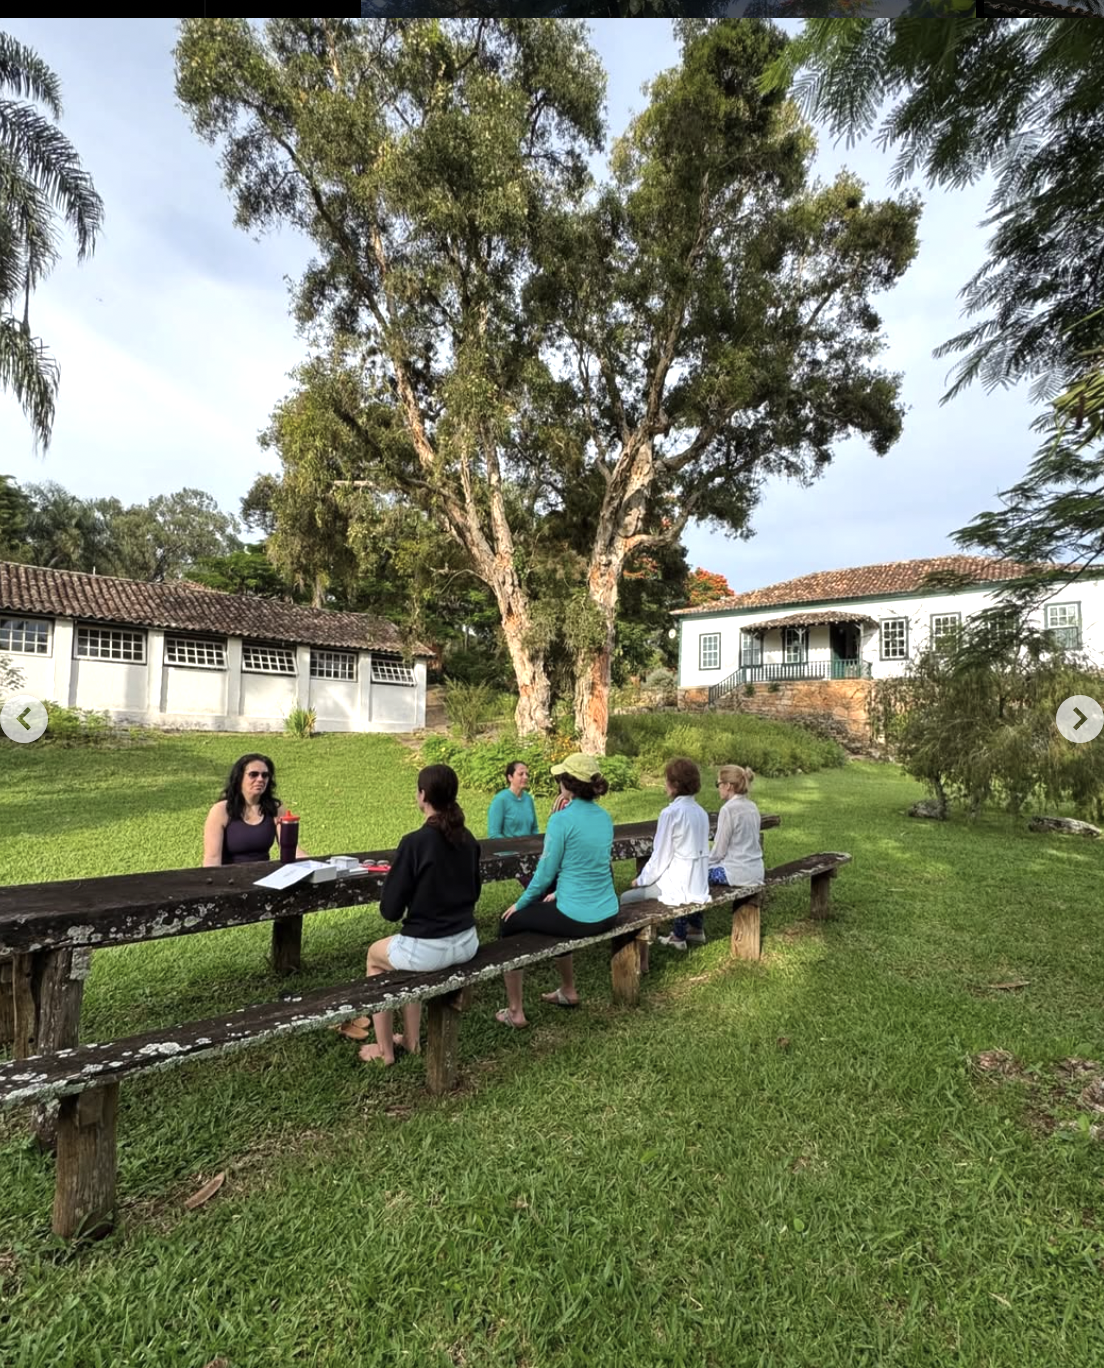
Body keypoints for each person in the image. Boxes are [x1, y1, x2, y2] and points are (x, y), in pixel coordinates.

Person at [359, 764, 481, 1065]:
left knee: (375, 959)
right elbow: (474, 893)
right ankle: (411, 1040)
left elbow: (390, 911)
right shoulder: (469, 839)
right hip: (467, 943)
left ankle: (385, 1050)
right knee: (403, 951)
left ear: (422, 795)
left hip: (429, 948)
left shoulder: (414, 843)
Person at [495, 753, 619, 1028]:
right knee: (552, 911)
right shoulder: (604, 817)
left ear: (568, 783)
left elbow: (544, 874)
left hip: (580, 917)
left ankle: (515, 1012)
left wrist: (521, 904)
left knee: (508, 923)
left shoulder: (561, 820)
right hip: (608, 911)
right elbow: (588, 864)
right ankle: (568, 990)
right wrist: (560, 892)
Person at [620, 757, 710, 951]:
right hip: (698, 884)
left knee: (626, 899)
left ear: (675, 785)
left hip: (679, 885)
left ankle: (633, 950)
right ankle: (695, 929)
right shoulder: (701, 812)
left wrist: (641, 880)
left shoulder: (671, 813)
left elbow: (661, 857)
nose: (664, 784)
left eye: (666, 780)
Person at [202, 753, 309, 867]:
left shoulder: (275, 808)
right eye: (253, 774)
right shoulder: (221, 810)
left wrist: (314, 864)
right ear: (239, 777)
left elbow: (291, 850)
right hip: (231, 879)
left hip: (264, 876)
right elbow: (212, 858)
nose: (260, 779)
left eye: (265, 775)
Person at [707, 765, 764, 899]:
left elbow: (719, 851)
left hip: (736, 873)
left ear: (728, 786)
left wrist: (703, 864)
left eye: (718, 783)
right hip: (756, 871)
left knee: (691, 877)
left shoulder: (728, 810)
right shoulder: (752, 806)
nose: (718, 788)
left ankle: (688, 920)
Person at [487, 761, 540, 840]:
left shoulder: (528, 799)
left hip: (529, 848)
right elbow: (494, 834)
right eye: (521, 774)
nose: (525, 777)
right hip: (508, 849)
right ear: (510, 777)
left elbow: (534, 829)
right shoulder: (500, 800)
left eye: (527, 774)